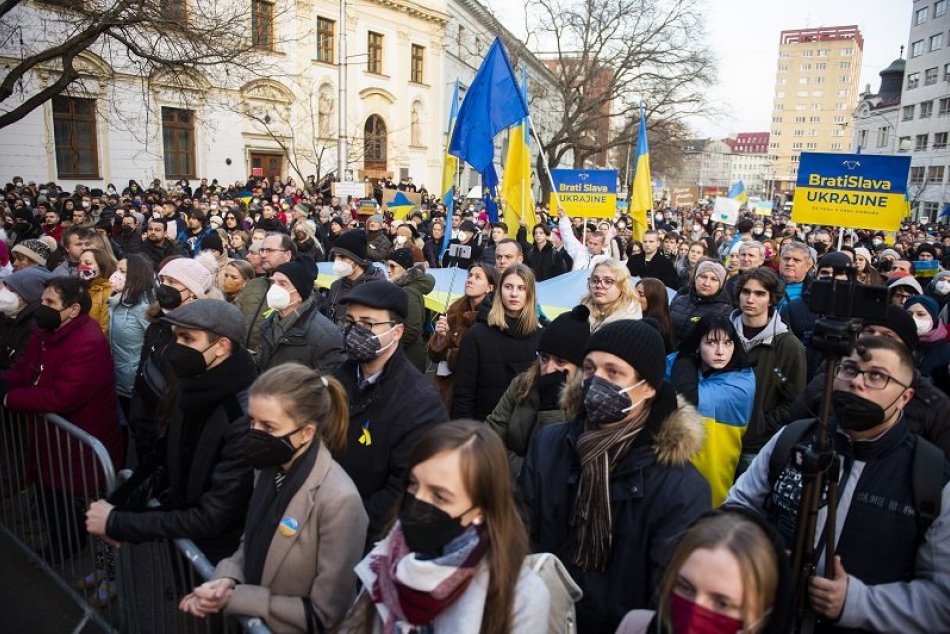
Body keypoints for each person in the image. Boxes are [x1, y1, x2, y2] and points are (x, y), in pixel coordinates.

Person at [726, 336, 950, 633]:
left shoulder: (929, 475)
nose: (857, 382)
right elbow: (735, 511)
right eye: (850, 369)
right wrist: (762, 556)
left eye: (877, 376)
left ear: (905, 398)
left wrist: (856, 603)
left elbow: (942, 601)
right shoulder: (793, 439)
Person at [518, 319, 710, 632]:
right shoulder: (549, 444)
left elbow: (666, 600)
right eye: (590, 368)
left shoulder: (681, 487)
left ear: (648, 388)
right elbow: (518, 530)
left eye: (613, 372)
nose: (596, 381)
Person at [179, 364, 367, 633]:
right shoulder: (267, 468)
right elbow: (253, 539)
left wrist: (240, 599)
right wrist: (226, 578)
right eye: (252, 422)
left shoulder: (339, 501)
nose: (255, 434)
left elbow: (325, 613)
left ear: (306, 433)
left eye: (268, 426)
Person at [335, 420, 550, 633]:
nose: (417, 502)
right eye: (413, 484)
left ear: (480, 510)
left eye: (439, 496)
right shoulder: (387, 556)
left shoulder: (519, 597)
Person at [87, 300, 258, 564]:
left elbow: (214, 515)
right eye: (175, 337)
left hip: (222, 562)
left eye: (187, 339)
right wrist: (118, 505)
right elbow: (163, 459)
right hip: (187, 543)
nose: (175, 347)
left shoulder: (245, 416)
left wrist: (121, 523)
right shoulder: (190, 387)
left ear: (221, 346)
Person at [3, 276, 124, 562]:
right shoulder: (45, 332)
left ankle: (104, 571)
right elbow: (25, 370)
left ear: (73, 309)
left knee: (87, 513)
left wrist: (10, 399)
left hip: (80, 447)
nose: (42, 306)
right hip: (51, 443)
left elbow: (63, 396)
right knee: (53, 501)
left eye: (50, 302)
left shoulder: (88, 342)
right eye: (42, 300)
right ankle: (63, 545)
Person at [333, 281, 447, 540]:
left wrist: (342, 521)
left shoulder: (420, 403)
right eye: (350, 321)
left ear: (397, 332)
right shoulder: (335, 380)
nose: (354, 331)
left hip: (364, 534)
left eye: (367, 324)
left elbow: (405, 487)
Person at [616, 508, 791, 634]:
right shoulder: (635, 627)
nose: (694, 612)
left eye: (722, 603)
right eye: (685, 587)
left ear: (760, 618)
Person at [486, 305, 590, 475]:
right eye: (544, 358)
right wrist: (525, 470)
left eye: (560, 362)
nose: (549, 369)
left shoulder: (586, 405)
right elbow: (489, 438)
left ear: (579, 367)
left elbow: (551, 467)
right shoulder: (522, 384)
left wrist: (552, 407)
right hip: (501, 483)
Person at [668, 314, 756, 505]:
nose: (720, 351)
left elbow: (688, 399)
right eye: (711, 343)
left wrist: (685, 359)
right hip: (672, 471)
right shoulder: (679, 366)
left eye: (727, 343)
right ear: (697, 346)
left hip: (713, 473)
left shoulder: (741, 383)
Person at [731, 267, 806, 469]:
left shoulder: (788, 345)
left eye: (759, 294)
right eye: (746, 291)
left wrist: (762, 424)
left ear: (771, 299)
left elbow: (795, 399)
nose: (750, 299)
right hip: (718, 434)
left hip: (755, 446)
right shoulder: (723, 332)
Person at [451, 264, 543, 421]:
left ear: (530, 293)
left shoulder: (541, 336)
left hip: (524, 428)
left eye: (521, 288)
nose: (514, 294)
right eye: (508, 287)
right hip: (483, 426)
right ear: (499, 290)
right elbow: (464, 394)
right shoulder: (476, 335)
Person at [427, 264, 497, 409]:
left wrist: (450, 353)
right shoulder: (454, 310)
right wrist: (440, 337)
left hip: (472, 395)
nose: (470, 280)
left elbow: (474, 361)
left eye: (477, 277)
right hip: (444, 391)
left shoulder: (493, 317)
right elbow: (434, 356)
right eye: (470, 275)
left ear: (489, 288)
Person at [258, 258, 345, 374]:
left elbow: (329, 381)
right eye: (273, 282)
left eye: (282, 284)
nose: (274, 288)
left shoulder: (326, 334)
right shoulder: (269, 325)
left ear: (300, 292)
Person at [108, 254, 155, 426]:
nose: (116, 275)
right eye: (116, 269)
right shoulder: (116, 301)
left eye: (122, 271)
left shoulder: (144, 308)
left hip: (134, 382)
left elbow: (153, 344)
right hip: (118, 377)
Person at [236, 232, 296, 356]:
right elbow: (236, 315)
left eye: (269, 250)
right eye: (262, 250)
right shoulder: (253, 284)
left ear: (287, 255)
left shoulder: (295, 291)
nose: (263, 255)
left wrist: (258, 356)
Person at [386, 248, 435, 372]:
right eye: (387, 266)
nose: (388, 270)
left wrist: (390, 347)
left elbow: (412, 329)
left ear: (405, 268)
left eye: (393, 266)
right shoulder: (401, 287)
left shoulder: (407, 291)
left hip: (409, 358)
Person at [323, 229, 385, 322]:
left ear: (357, 259)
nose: (337, 261)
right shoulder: (336, 286)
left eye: (342, 257)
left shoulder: (378, 288)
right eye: (335, 256)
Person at [0, 266, 53, 369]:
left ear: (27, 297)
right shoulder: (8, 314)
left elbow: (18, 368)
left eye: (11, 289)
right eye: (6, 287)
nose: (4, 293)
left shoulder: (34, 327)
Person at [669, 259, 732, 342]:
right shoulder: (680, 299)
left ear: (721, 285)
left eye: (714, 279)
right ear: (695, 278)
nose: (706, 283)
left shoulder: (724, 311)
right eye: (703, 277)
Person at [580, 258, 643, 332]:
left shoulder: (629, 324)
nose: (598, 285)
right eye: (594, 280)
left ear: (623, 286)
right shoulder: (581, 313)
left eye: (608, 281)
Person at [905, 295, 950, 378]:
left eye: (920, 314)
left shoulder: (946, 351)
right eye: (909, 314)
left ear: (933, 318)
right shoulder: (898, 343)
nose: (913, 318)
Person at [77, 248, 117, 336]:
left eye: (88, 263)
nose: (81, 266)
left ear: (101, 266)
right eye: (80, 263)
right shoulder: (79, 287)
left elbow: (104, 328)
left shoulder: (109, 291)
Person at [636, 277, 675, 352]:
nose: (634, 296)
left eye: (641, 295)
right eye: (634, 293)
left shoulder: (653, 327)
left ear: (654, 299)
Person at [724, 240, 766, 305]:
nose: (746, 259)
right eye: (743, 255)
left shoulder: (767, 282)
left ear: (761, 260)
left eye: (751, 255)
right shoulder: (731, 281)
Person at [778, 241, 814, 311]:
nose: (789, 263)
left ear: (808, 265)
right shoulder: (767, 283)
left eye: (796, 260)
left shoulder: (814, 291)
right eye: (786, 258)